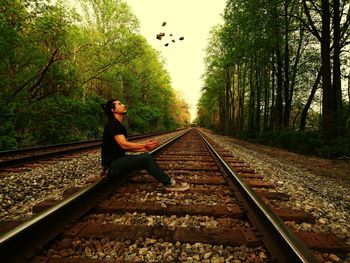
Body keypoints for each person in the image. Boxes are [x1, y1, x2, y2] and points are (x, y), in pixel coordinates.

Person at [98, 99, 189, 191]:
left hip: (116, 163)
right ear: (113, 110)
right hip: (112, 166)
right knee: (146, 158)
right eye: (119, 104)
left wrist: (144, 149)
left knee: (145, 156)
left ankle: (168, 181)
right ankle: (169, 183)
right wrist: (144, 146)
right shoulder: (113, 124)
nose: (123, 105)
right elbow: (124, 145)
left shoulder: (118, 124)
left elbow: (124, 148)